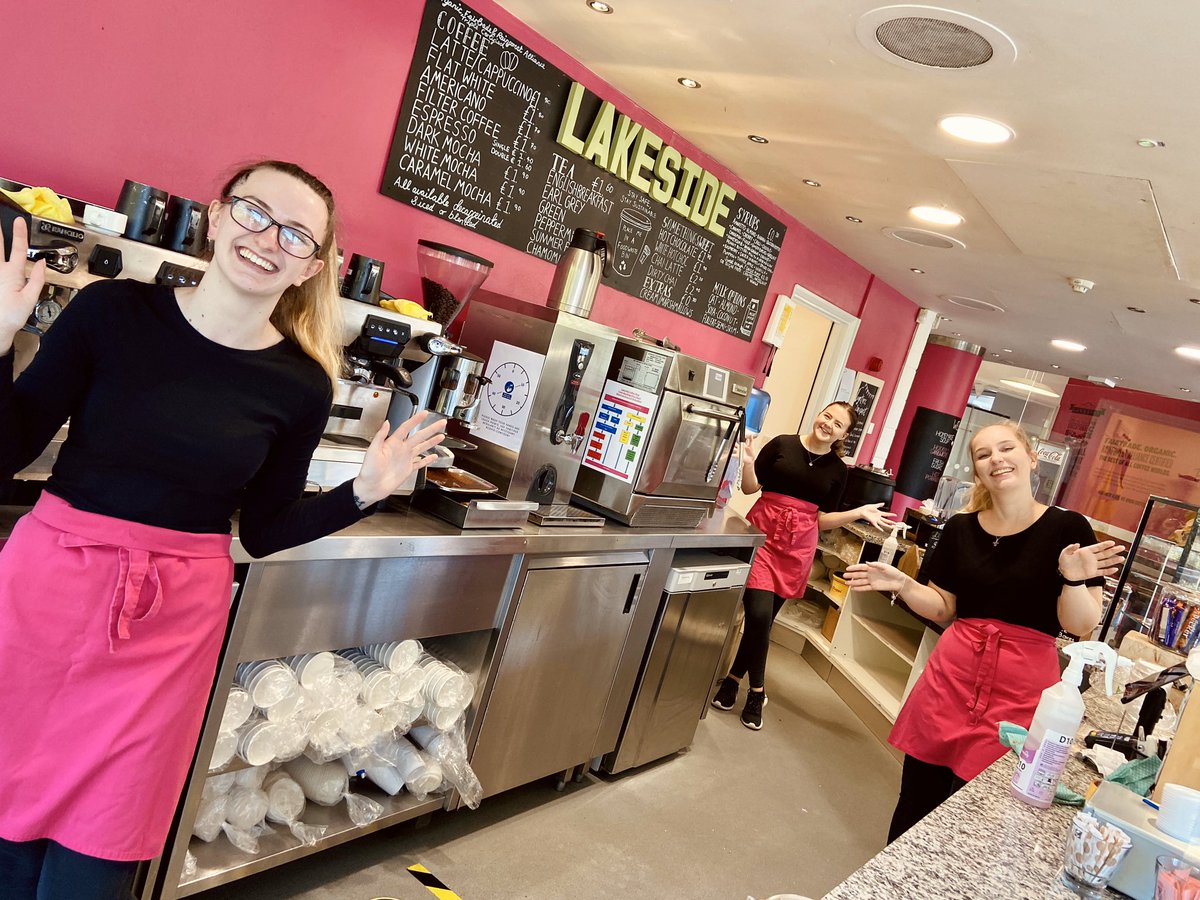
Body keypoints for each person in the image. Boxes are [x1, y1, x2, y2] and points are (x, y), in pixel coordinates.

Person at [0, 160, 446, 899]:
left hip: (169, 626)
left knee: (104, 838)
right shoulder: (111, 311)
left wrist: (361, 494)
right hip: (48, 588)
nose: (268, 239)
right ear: (216, 215)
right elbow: (8, 452)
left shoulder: (301, 385)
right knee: (7, 808)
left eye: (295, 234)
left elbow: (263, 531)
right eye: (254, 212)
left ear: (311, 267)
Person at [844, 422, 1125, 843]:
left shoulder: (1069, 529)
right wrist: (903, 584)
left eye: (1006, 448)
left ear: (1031, 458)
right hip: (950, 681)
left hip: (1021, 692)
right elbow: (944, 608)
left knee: (978, 814)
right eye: (983, 454)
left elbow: (1080, 624)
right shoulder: (960, 529)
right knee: (916, 802)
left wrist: (1072, 578)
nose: (997, 459)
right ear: (977, 471)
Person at [711, 402, 896, 730]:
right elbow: (751, 488)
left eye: (838, 424)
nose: (829, 424)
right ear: (818, 415)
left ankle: (732, 681)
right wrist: (749, 464)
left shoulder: (838, 470)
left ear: (844, 435)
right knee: (757, 614)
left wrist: (857, 513)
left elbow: (822, 519)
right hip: (763, 535)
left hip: (797, 549)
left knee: (762, 624)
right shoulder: (782, 444)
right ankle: (757, 692)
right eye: (827, 416)